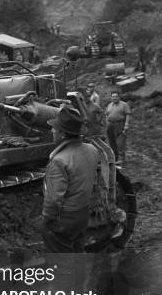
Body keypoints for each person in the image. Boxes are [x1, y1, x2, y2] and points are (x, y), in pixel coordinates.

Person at [41, 105, 99, 254]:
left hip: (65, 218)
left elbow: (54, 200)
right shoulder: (92, 150)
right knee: (78, 249)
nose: (52, 131)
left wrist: (46, 220)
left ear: (62, 134)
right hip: (82, 212)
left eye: (55, 129)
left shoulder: (59, 161)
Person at [105, 91, 131, 166]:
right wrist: (107, 122)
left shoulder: (124, 105)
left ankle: (122, 160)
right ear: (111, 98)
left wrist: (126, 124)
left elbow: (128, 115)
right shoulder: (109, 105)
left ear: (119, 97)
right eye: (113, 97)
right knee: (112, 142)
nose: (114, 98)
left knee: (120, 142)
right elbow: (106, 114)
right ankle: (115, 158)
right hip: (110, 125)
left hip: (120, 124)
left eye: (116, 96)